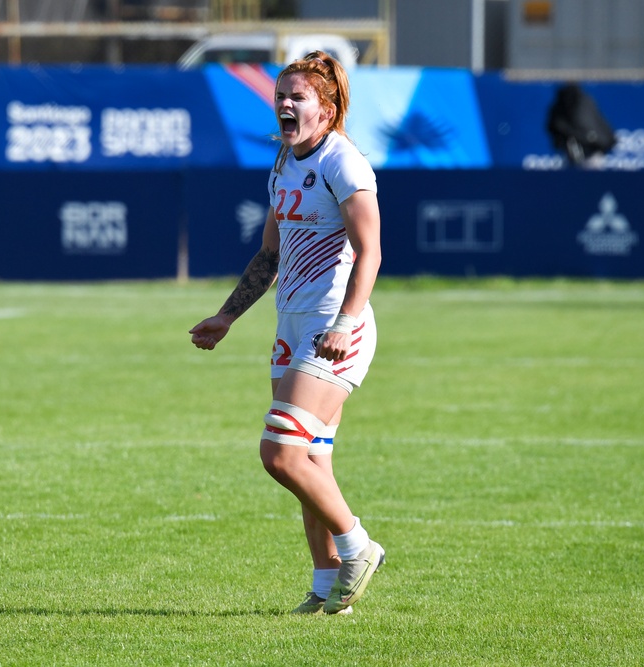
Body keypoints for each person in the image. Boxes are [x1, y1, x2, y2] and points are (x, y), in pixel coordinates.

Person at [189, 51, 384, 615]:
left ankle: (358, 547)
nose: (285, 104)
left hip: (334, 326)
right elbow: (269, 253)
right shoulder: (282, 162)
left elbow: (370, 253)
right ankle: (328, 592)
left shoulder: (344, 162)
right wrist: (227, 315)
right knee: (309, 461)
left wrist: (346, 323)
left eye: (298, 97)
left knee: (279, 453)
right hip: (292, 325)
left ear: (327, 109)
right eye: (281, 95)